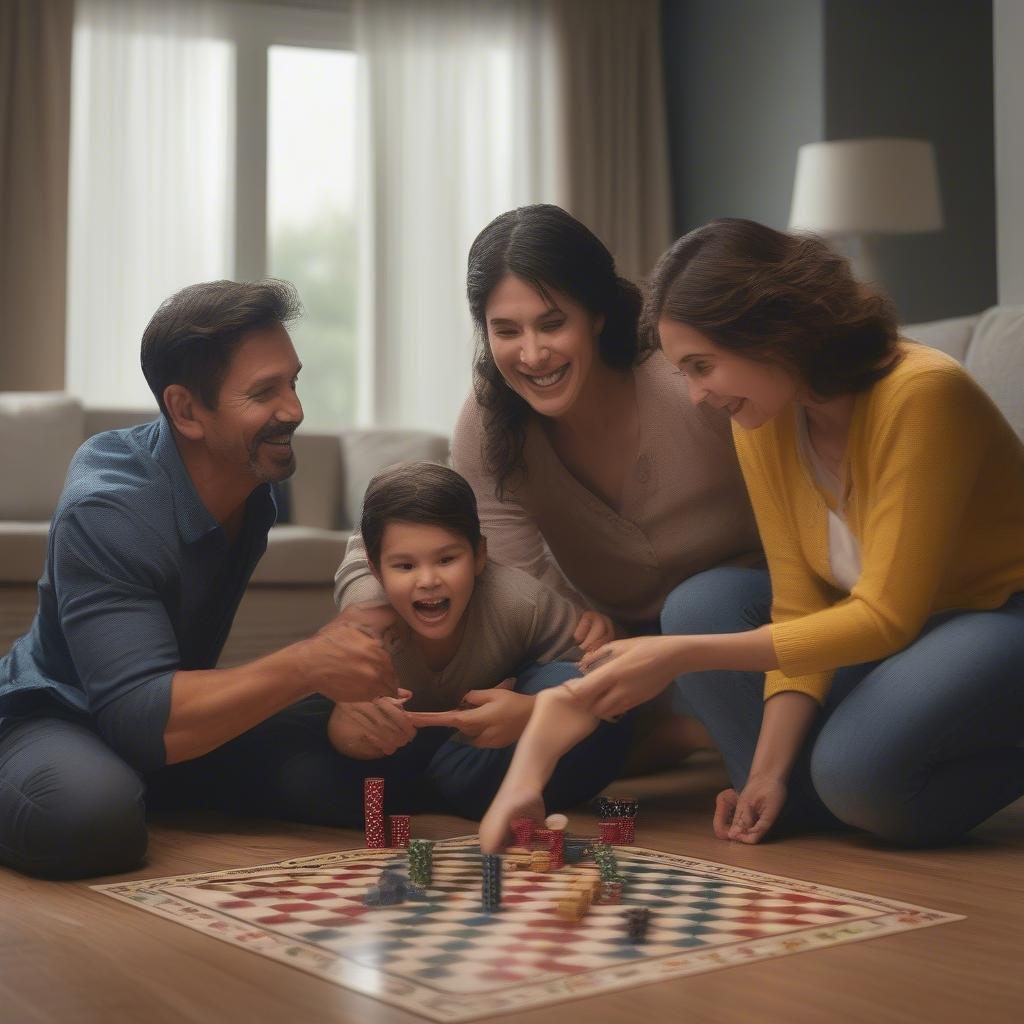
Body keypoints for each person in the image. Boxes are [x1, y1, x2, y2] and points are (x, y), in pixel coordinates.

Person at [478, 219, 1024, 852]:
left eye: (702, 367)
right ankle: (818, 788)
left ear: (772, 333)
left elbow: (886, 617)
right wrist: (766, 774)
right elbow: (799, 604)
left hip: (996, 615)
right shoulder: (762, 421)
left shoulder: (924, 394)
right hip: (894, 637)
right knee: (699, 606)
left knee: (853, 778)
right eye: (684, 372)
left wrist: (681, 655)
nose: (697, 396)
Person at [0, 280, 399, 880]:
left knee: (365, 765)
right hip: (61, 715)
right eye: (264, 392)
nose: (293, 409)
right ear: (187, 410)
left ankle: (146, 782)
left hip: (165, 715)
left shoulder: (255, 478)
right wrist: (309, 664)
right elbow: (136, 714)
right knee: (90, 819)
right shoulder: (108, 509)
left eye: (293, 381)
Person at [335, 203, 761, 764]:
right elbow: (507, 578)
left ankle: (678, 731)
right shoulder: (489, 424)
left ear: (597, 314)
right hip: (616, 642)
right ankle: (667, 730)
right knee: (558, 684)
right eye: (505, 331)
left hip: (740, 617)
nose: (532, 355)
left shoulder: (686, 382)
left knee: (694, 606)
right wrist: (584, 633)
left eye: (553, 323)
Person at [326, 462, 631, 819]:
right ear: (377, 572)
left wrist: (532, 714)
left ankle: (425, 790)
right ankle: (428, 789)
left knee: (583, 692)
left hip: (482, 748)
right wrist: (344, 724)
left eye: (446, 559)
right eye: (405, 566)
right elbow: (338, 711)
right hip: (406, 747)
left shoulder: (519, 601)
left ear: (480, 555)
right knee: (303, 772)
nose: (427, 580)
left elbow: (616, 683)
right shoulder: (365, 613)